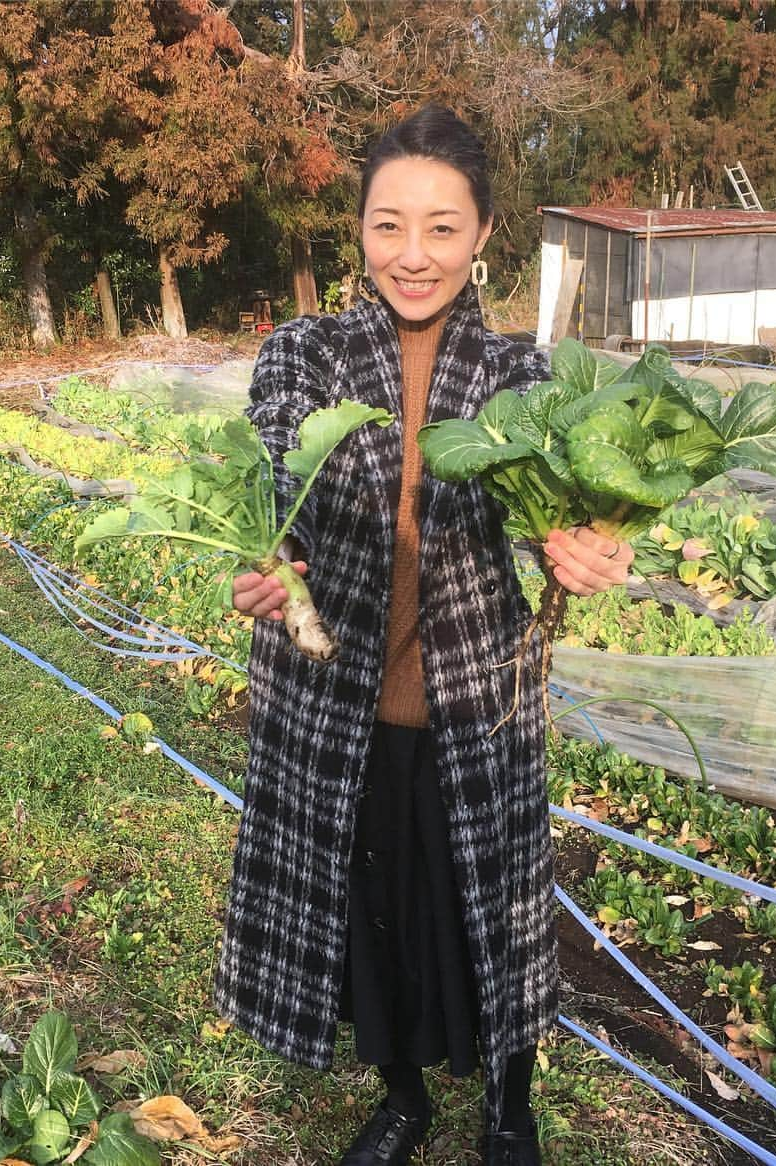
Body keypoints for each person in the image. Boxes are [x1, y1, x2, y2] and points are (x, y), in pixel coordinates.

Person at [215, 106, 633, 1166]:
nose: (413, 254)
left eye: (442, 227)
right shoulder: (301, 354)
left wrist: (584, 545)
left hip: (472, 695)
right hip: (334, 694)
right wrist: (267, 566)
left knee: (490, 906)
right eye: (388, 224)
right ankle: (402, 1096)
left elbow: (556, 506)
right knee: (371, 914)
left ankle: (509, 1105)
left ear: (484, 234)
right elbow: (277, 478)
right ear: (357, 228)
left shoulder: (519, 377)